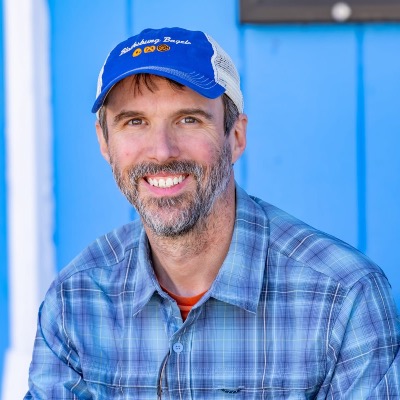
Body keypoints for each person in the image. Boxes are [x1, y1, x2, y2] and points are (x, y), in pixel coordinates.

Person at [25, 27, 400, 399]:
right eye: (134, 121)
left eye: (188, 119)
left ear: (236, 136)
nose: (162, 151)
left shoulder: (343, 298)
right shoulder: (76, 299)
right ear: (104, 142)